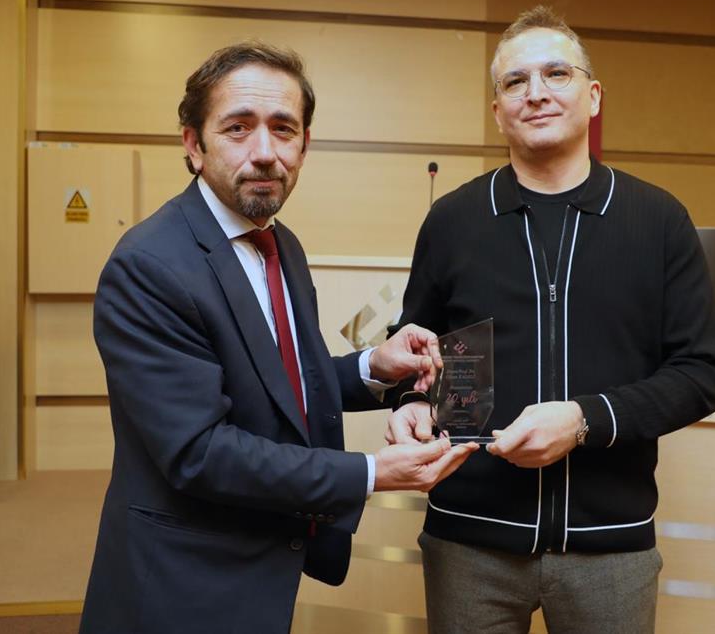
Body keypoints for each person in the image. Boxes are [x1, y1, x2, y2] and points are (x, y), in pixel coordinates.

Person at [78, 43, 476, 634]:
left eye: (283, 129)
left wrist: (374, 364)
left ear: (304, 146)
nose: (265, 152)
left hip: (263, 564)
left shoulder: (278, 242)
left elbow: (275, 380)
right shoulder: (149, 265)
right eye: (238, 128)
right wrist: (371, 472)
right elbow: (199, 452)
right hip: (183, 579)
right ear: (193, 144)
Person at [386, 6, 715, 633]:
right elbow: (416, 346)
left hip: (612, 544)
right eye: (515, 81)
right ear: (498, 111)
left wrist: (583, 420)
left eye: (556, 74)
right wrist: (410, 400)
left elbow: (702, 373)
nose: (536, 92)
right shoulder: (453, 220)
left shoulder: (658, 221)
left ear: (592, 96)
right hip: (468, 539)